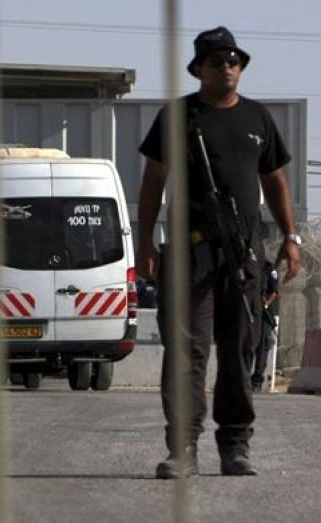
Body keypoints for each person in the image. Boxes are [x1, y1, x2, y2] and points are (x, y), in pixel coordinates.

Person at [136, 26, 300, 479]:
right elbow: (153, 182)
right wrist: (145, 242)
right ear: (198, 69)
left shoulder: (257, 118)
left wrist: (291, 238)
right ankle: (183, 448)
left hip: (243, 254)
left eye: (233, 61)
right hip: (189, 254)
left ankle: (235, 445)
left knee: (239, 350)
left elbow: (275, 182)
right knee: (185, 352)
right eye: (216, 61)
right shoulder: (177, 116)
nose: (226, 67)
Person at [251, 260, 279, 392]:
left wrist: (266, 304)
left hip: (263, 313)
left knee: (262, 347)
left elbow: (274, 292)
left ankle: (257, 380)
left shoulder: (268, 268)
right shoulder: (245, 263)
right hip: (248, 310)